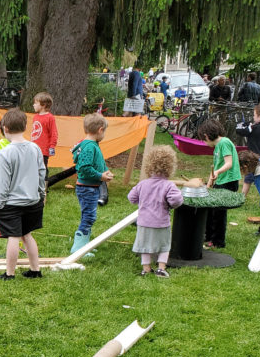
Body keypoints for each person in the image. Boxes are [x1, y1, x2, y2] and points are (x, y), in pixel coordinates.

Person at [0, 110, 46, 280]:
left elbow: (3, 183)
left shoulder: (5, 153)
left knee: (14, 237)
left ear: (5, 129)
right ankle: (35, 270)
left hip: (12, 204)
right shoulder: (35, 148)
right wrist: (41, 193)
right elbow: (41, 173)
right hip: (33, 201)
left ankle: (10, 273)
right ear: (25, 127)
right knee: (27, 234)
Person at [127, 145, 183, 278]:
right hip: (161, 222)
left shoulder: (143, 184)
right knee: (164, 245)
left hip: (144, 222)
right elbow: (176, 200)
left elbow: (131, 197)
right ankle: (161, 269)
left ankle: (146, 269)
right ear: (170, 167)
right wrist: (170, 205)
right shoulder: (169, 185)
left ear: (149, 165)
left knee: (145, 245)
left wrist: (141, 201)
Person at [71, 114, 114, 255]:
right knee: (88, 217)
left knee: (89, 216)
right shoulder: (89, 146)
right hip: (87, 188)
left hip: (91, 187)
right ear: (100, 130)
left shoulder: (91, 145)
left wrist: (105, 171)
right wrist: (100, 176)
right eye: (105, 131)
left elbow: (97, 162)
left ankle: (85, 245)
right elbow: (84, 168)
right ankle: (78, 248)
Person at [198, 120, 241, 250]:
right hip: (221, 181)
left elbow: (229, 163)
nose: (204, 143)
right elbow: (216, 167)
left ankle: (218, 242)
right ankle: (208, 236)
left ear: (206, 136)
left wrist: (217, 172)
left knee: (218, 213)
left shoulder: (224, 142)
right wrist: (209, 183)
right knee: (210, 209)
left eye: (203, 140)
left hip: (229, 181)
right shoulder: (218, 146)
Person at [31, 92, 58, 175]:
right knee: (33, 168)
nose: (33, 105)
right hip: (34, 148)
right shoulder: (35, 117)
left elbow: (54, 133)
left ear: (43, 104)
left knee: (42, 168)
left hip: (43, 150)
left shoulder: (50, 117)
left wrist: (52, 146)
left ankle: (44, 182)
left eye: (36, 103)